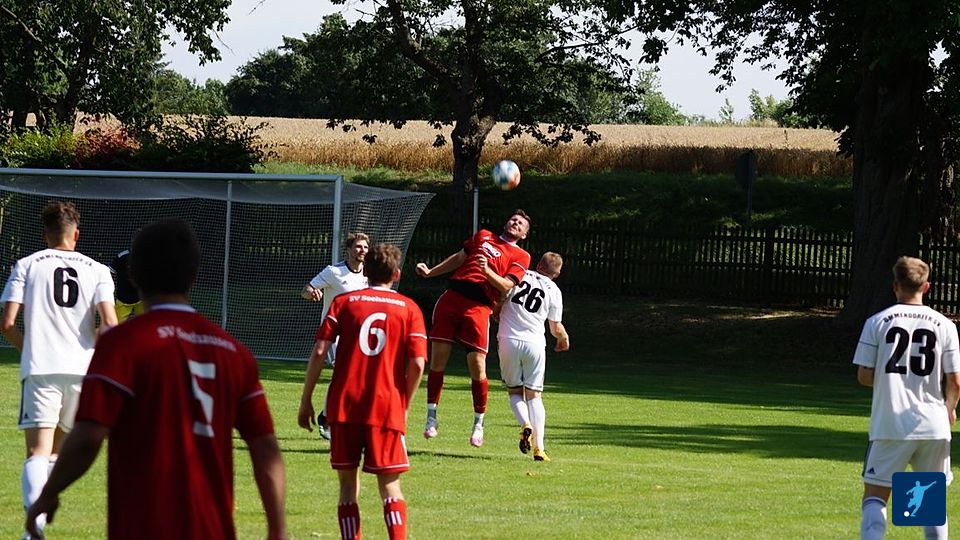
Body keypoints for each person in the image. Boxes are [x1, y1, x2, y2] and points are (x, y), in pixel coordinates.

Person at [25, 218, 287, 540]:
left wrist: (48, 493)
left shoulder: (123, 344)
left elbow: (87, 438)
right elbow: (265, 447)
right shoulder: (233, 352)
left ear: (133, 275)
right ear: (194, 275)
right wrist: (278, 528)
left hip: (144, 526)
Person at [0, 200, 118, 539]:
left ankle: (33, 530)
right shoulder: (97, 269)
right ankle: (38, 524)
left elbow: (7, 323)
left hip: (41, 369)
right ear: (76, 234)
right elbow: (110, 324)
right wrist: (88, 351)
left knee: (37, 452)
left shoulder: (27, 264)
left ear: (45, 234)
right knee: (54, 452)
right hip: (81, 371)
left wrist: (29, 350)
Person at [298, 243, 426, 540]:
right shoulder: (409, 308)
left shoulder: (344, 302)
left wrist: (306, 400)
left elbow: (320, 351)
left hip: (345, 405)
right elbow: (418, 363)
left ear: (365, 271)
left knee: (347, 486)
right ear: (396, 274)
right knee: (390, 487)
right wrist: (404, 405)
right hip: (386, 406)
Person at [853, 256, 960, 540]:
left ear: (895, 285)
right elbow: (955, 381)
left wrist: (892, 381)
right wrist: (950, 409)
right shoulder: (945, 325)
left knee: (875, 496)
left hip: (891, 423)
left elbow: (864, 375)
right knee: (927, 504)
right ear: (926, 286)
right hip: (933, 424)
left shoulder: (877, 322)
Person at [416, 210, 532, 447]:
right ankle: (431, 417)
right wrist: (431, 272)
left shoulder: (521, 255)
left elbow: (506, 286)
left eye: (521, 224)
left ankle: (479, 424)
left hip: (479, 307)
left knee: (477, 366)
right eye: (513, 219)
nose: (515, 223)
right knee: (437, 360)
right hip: (452, 298)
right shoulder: (484, 235)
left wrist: (487, 271)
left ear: (524, 234)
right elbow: (459, 258)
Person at [496, 252, 569, 462]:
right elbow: (555, 327)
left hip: (508, 339)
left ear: (538, 265)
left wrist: (497, 311)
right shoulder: (554, 290)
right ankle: (539, 448)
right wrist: (563, 338)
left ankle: (524, 423)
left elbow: (501, 295)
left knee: (514, 391)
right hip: (535, 344)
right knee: (534, 395)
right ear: (557, 274)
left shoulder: (520, 274)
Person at [301, 232, 370, 439]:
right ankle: (327, 420)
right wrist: (311, 293)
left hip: (358, 334)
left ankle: (332, 416)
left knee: (356, 378)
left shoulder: (369, 275)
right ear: (348, 250)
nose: (362, 250)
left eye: (365, 247)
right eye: (358, 247)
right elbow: (306, 289)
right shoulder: (334, 271)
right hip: (333, 334)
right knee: (343, 371)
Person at [108, 249, 143, 322]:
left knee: (145, 323)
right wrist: (111, 290)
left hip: (141, 298)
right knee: (118, 325)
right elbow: (110, 272)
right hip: (123, 300)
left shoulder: (146, 256)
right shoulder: (122, 256)